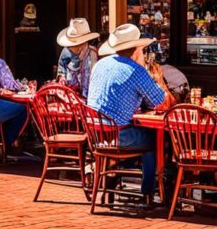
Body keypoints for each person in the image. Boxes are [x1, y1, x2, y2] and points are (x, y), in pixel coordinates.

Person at [88, 24, 169, 201]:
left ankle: (110, 176)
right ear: (137, 50)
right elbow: (159, 101)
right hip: (119, 135)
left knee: (143, 135)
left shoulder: (100, 64)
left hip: (96, 134)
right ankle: (149, 191)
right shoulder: (136, 70)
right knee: (156, 138)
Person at [56, 18, 100, 97]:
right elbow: (61, 71)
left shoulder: (92, 54)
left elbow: (95, 80)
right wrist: (62, 78)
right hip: (69, 98)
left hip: (88, 100)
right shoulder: (66, 51)